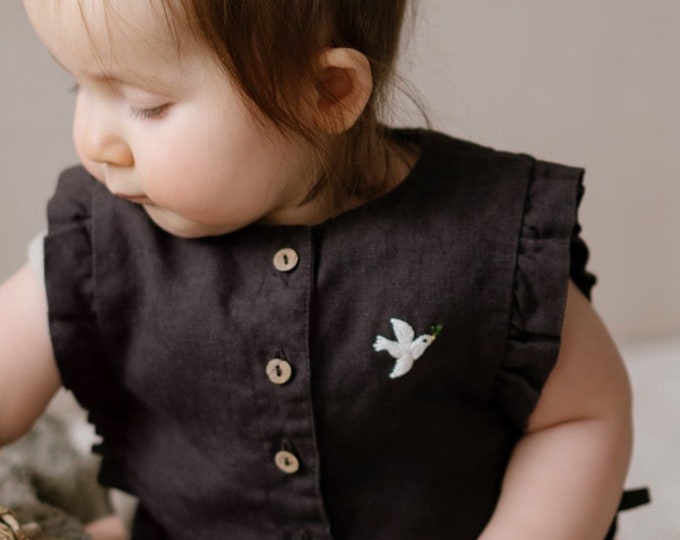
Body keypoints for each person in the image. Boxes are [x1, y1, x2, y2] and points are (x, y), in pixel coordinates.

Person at [0, 1, 635, 539]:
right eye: (79, 87)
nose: (94, 141)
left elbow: (582, 417)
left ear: (326, 92)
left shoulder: (481, 241)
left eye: (147, 104)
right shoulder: (100, 242)